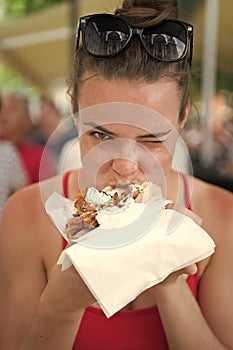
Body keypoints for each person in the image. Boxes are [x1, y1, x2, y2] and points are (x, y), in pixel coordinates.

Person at [0, 1, 233, 349]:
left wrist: (170, 285)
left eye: (152, 139)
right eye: (101, 135)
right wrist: (60, 306)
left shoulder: (223, 218)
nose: (125, 165)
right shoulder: (26, 215)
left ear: (183, 116)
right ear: (74, 109)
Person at [0, 93, 55, 183]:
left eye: (10, 110)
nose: (3, 116)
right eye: (1, 109)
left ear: (27, 118)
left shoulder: (39, 157)